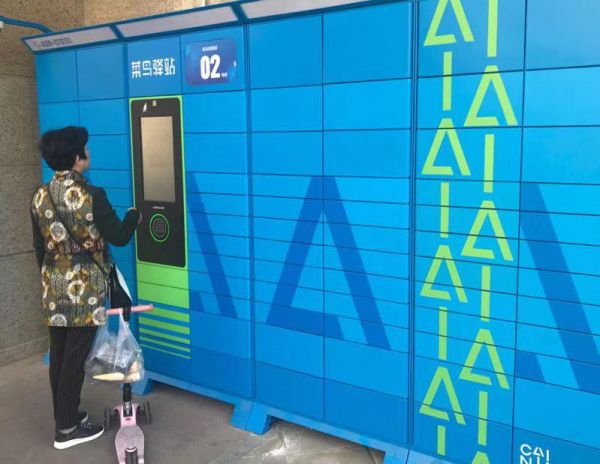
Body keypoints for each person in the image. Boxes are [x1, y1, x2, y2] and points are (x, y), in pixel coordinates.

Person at [30, 126, 141, 449]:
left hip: (53, 287)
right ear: (77, 158)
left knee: (60, 356)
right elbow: (119, 236)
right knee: (74, 359)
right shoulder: (93, 196)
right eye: (85, 149)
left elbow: (39, 247)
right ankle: (66, 430)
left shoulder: (39, 195)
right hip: (84, 291)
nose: (88, 153)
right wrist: (134, 215)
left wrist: (54, 278)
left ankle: (66, 416)